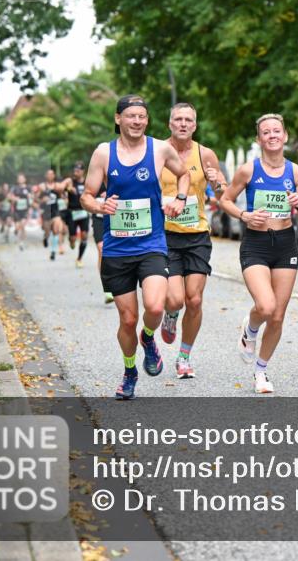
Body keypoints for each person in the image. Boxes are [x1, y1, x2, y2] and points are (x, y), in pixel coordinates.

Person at [80, 95, 189, 400]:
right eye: (131, 116)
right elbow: (87, 195)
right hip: (117, 250)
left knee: (155, 307)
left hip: (151, 244)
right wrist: (100, 205)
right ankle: (129, 371)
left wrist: (179, 200)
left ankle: (149, 337)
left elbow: (184, 175)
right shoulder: (104, 153)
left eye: (142, 116)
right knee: (127, 319)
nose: (137, 121)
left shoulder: (160, 149)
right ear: (118, 119)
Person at [220, 113, 298, 394]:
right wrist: (245, 215)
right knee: (266, 306)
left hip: (285, 244)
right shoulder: (248, 170)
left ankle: (261, 371)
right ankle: (250, 329)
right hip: (256, 244)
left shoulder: (296, 173)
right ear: (259, 139)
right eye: (266, 132)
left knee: (278, 316)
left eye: (276, 131)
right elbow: (225, 200)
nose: (272, 136)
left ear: (284, 136)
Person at [158, 103, 227, 378]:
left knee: (194, 300)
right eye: (178, 119)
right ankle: (170, 316)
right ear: (170, 124)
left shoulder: (205, 154)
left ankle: (184, 357)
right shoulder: (157, 152)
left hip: (197, 234)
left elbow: (223, 195)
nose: (183, 124)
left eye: (188, 120)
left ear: (195, 125)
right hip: (165, 235)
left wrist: (217, 181)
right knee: (175, 300)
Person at [58, 162, 92, 268]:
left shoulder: (87, 182)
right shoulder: (70, 181)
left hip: (83, 212)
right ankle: (71, 241)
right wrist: (68, 189)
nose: (75, 172)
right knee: (73, 238)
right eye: (74, 171)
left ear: (83, 172)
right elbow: (59, 188)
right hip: (72, 213)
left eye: (78, 171)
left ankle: (79, 258)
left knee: (84, 235)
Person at [9, 175, 31, 250]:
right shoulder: (14, 188)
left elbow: (32, 196)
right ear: (17, 180)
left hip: (25, 210)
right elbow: (9, 197)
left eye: (22, 178)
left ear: (25, 179)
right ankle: (16, 231)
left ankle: (21, 242)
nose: (21, 180)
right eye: (19, 179)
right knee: (18, 226)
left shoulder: (28, 188)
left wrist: (30, 197)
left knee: (22, 225)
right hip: (16, 210)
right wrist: (14, 198)